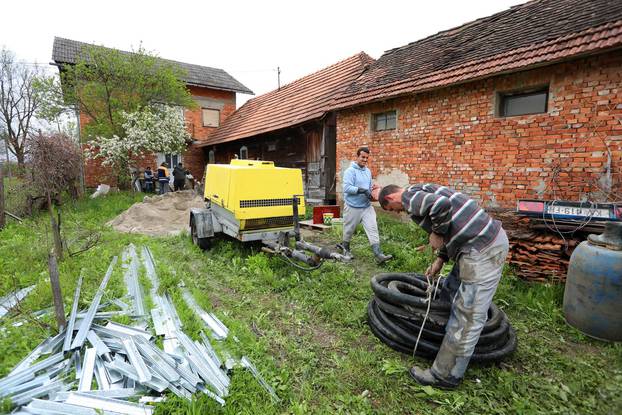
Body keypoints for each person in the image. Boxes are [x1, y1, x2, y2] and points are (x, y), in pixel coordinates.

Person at [376, 183, 509, 389]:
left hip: (483, 250)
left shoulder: (409, 196)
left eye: (393, 209)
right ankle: (441, 335)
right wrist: (440, 259)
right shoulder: (421, 189)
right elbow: (452, 225)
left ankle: (445, 375)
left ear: (391, 198)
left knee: (468, 314)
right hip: (474, 246)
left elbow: (440, 205)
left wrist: (436, 233)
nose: (399, 212)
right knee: (450, 289)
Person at [341, 146, 392, 264]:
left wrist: (373, 190)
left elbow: (369, 187)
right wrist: (363, 190)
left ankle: (378, 254)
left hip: (366, 206)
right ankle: (346, 249)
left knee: (373, 228)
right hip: (352, 206)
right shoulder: (350, 171)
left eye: (367, 158)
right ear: (357, 156)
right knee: (349, 229)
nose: (364, 160)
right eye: (362, 157)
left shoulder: (368, 171)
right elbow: (347, 188)